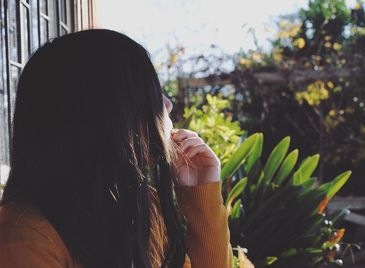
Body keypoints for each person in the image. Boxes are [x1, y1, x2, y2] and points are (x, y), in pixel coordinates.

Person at [0, 29, 233, 268]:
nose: (168, 104)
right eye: (148, 93)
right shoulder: (24, 239)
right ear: (105, 114)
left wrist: (202, 197)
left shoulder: (140, 208)